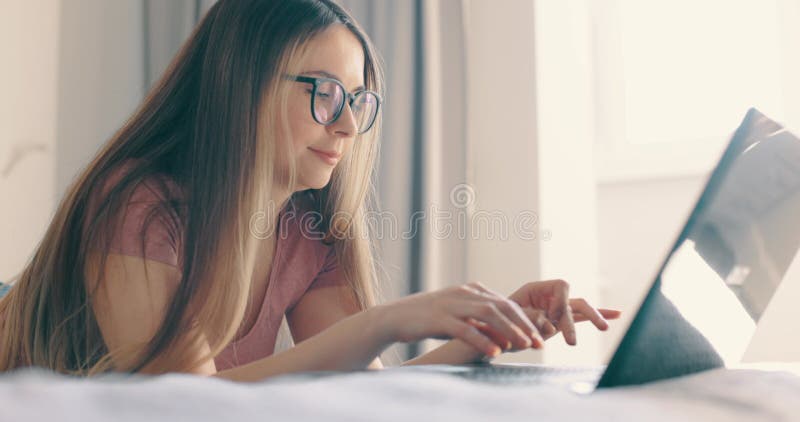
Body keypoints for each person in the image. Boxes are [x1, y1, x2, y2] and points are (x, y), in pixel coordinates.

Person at [0, 0, 619, 381]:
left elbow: (364, 389)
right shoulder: (138, 202)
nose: (348, 125)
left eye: (357, 101)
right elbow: (181, 403)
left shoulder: (307, 232)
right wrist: (387, 321)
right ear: (241, 84)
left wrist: (485, 330)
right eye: (323, 93)